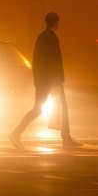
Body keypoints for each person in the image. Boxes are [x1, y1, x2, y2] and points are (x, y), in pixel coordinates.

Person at [9, 12, 82, 150]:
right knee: (60, 108)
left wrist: (37, 78)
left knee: (38, 109)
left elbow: (37, 60)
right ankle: (16, 133)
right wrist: (59, 79)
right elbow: (54, 61)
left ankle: (17, 133)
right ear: (56, 23)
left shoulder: (41, 37)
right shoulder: (52, 38)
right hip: (51, 81)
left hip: (43, 81)